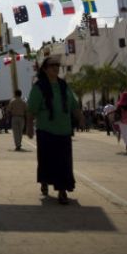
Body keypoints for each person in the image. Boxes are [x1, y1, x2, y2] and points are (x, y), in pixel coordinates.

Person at [26, 56, 82, 205]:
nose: (56, 67)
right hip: (46, 130)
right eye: (52, 65)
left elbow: (73, 105)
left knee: (64, 162)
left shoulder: (64, 86)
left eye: (57, 65)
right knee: (46, 160)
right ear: (45, 69)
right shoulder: (39, 87)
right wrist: (29, 126)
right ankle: (45, 180)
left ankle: (62, 190)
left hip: (64, 131)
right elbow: (31, 110)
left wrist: (81, 118)